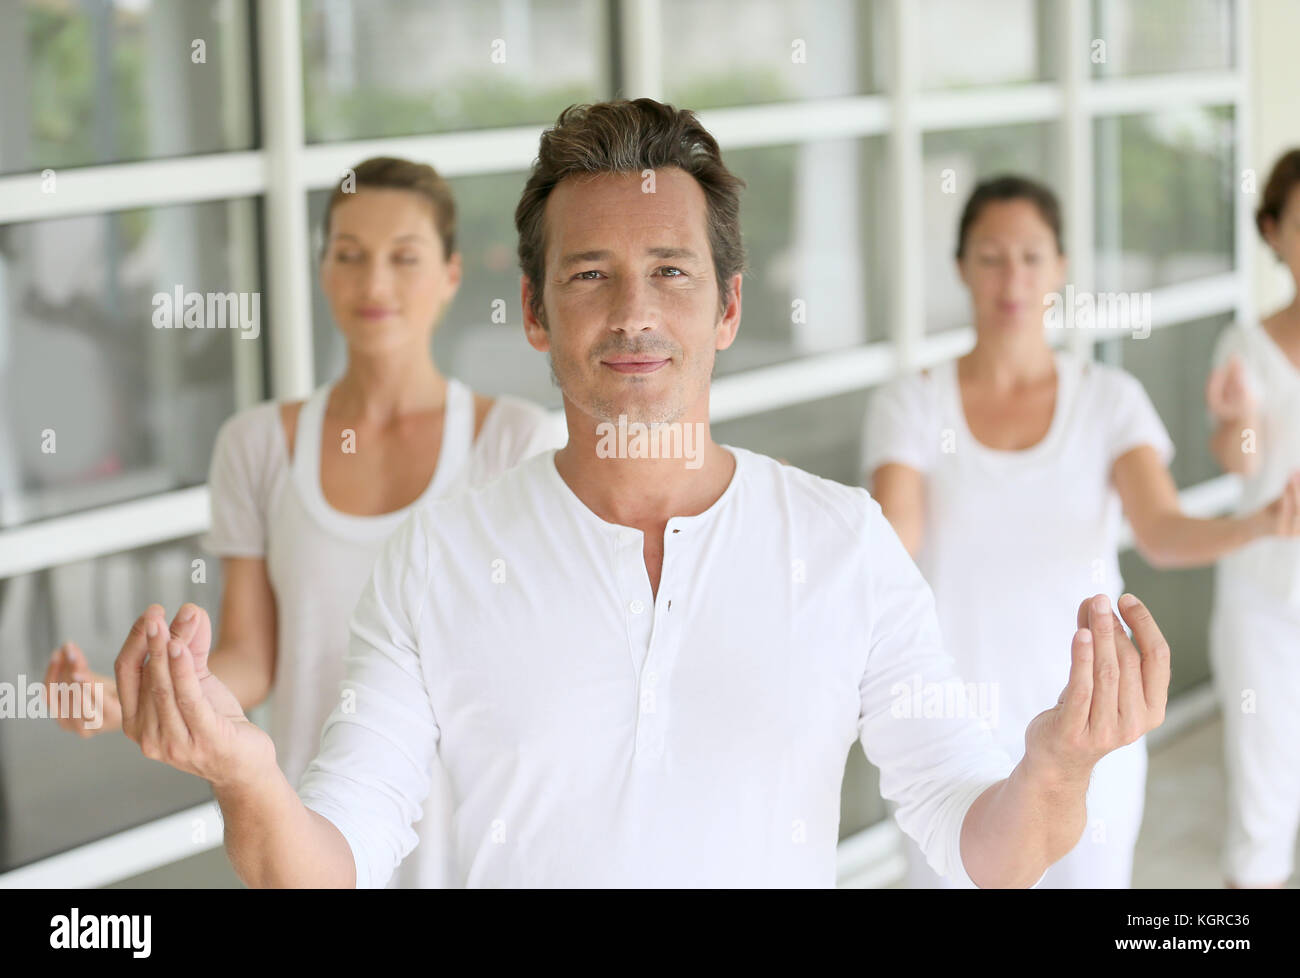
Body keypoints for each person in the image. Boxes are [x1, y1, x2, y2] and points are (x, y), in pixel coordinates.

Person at [111, 99, 1172, 889]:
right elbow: (331, 856)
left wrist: (1056, 766)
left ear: (725, 308)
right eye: (588, 275)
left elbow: (978, 839)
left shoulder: (843, 542)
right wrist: (246, 774)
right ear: (532, 311)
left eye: (670, 270)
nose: (632, 312)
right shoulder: (435, 557)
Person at [42, 156, 562, 887]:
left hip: (472, 851)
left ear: (449, 275)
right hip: (308, 843)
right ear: (323, 272)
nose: (375, 283)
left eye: (403, 258)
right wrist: (131, 696)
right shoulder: (256, 445)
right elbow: (254, 659)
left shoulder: (515, 442)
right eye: (349, 255)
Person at [863, 174, 1300, 889]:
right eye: (991, 256)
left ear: (1061, 269)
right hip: (945, 728)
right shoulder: (911, 402)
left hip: (1091, 722)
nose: (1012, 277)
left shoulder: (1109, 400)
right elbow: (893, 537)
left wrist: (1258, 523)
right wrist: (810, 521)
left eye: (1032, 257)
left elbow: (1160, 531)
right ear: (961, 268)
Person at [1205, 148, 1300, 888]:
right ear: (1273, 231)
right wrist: (1237, 422)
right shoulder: (1246, 346)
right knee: (1264, 805)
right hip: (1267, 599)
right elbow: (1240, 462)